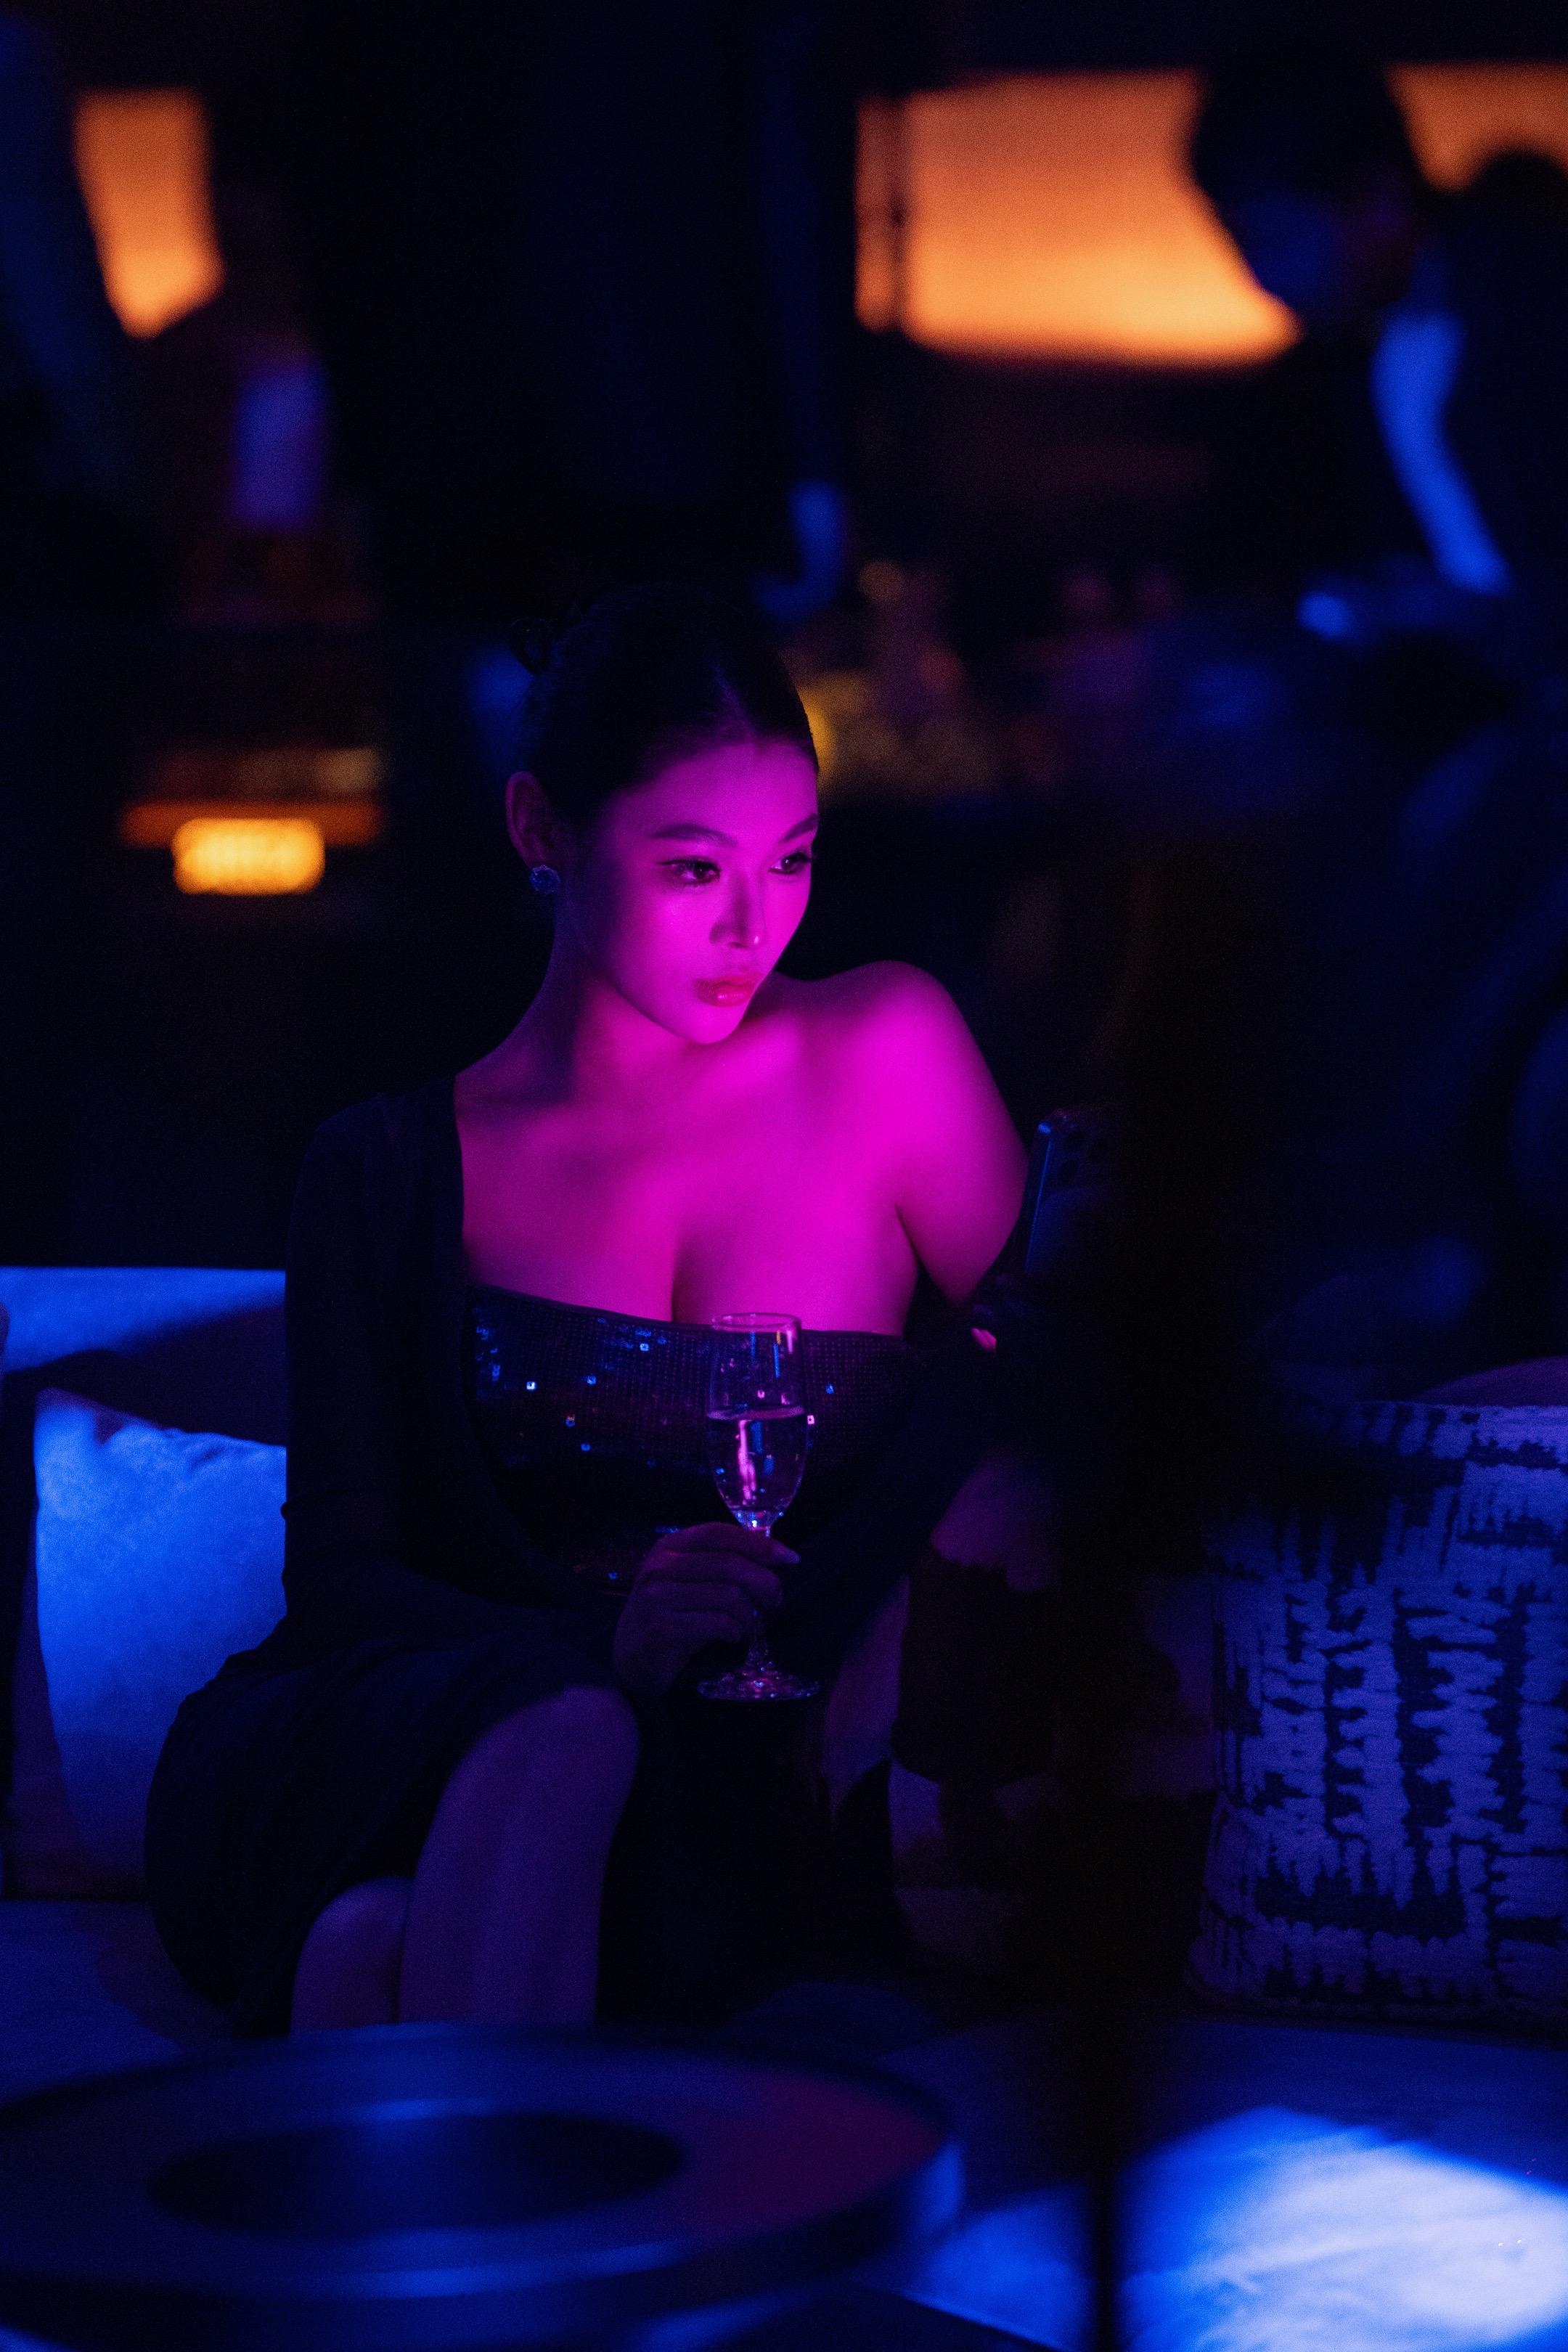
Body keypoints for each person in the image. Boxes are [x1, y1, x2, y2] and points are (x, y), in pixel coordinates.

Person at [144, 585, 1024, 2035]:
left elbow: (1058, 1360)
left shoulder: (881, 1054)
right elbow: (346, 1584)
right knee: (564, 1731)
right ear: (540, 831)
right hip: (415, 1733)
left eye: (793, 860)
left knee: (377, 1947)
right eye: (691, 870)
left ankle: (395, 2041)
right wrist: (607, 1636)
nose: (753, 924)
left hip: (718, 1781)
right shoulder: (385, 1167)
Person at [1190, 45, 1568, 656]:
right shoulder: (1346, 362)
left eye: (1276, 237)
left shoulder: (1534, 304)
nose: (1261, 276)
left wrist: (1483, 619)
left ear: (1379, 201)